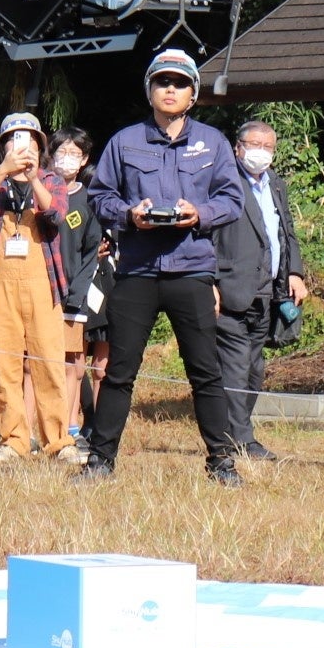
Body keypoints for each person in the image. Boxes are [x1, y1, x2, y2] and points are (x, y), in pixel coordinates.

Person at [80, 48, 246, 484]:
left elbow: (233, 199)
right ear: (149, 89)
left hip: (192, 270)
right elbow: (100, 196)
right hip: (137, 269)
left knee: (206, 372)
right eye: (162, 82)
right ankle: (100, 463)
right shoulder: (125, 141)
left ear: (193, 94)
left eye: (180, 83)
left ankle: (221, 463)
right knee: (118, 372)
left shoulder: (213, 142)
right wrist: (129, 215)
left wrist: (200, 214)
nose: (170, 89)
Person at [0, 112, 71, 463]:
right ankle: (13, 440)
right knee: (4, 365)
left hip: (42, 283)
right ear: (3, 147)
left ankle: (59, 441)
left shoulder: (52, 180)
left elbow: (56, 215)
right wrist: (4, 170)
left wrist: (33, 178)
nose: (22, 146)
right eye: (14, 139)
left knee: (49, 362)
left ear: (40, 147)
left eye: (29, 140)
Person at [213, 118, 308, 463]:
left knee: (254, 369)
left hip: (268, 291)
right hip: (231, 288)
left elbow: (286, 232)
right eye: (255, 145)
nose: (261, 152)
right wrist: (210, 282)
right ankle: (240, 439)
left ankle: (234, 432)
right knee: (235, 368)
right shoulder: (223, 182)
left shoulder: (276, 184)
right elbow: (207, 235)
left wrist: (294, 272)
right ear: (237, 148)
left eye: (268, 147)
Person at [47, 127, 103, 450]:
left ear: (84, 160)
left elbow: (91, 252)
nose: (66, 159)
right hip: (40, 292)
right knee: (30, 363)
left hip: (73, 297)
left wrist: (77, 294)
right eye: (61, 152)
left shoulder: (89, 200)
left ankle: (69, 427)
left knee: (72, 362)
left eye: (74, 153)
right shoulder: (40, 192)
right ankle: (31, 430)